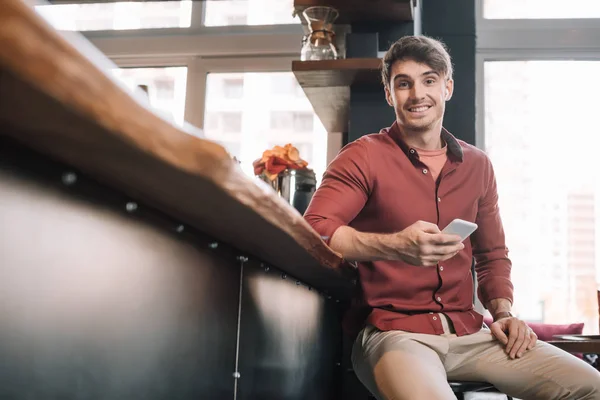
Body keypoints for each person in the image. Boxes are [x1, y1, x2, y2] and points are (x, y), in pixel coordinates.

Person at [304, 35, 600, 400]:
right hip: (394, 332)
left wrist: (503, 312)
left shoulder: (478, 166)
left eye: (429, 80)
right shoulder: (362, 156)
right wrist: (396, 246)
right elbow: (316, 231)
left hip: (471, 334)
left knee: (592, 387)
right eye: (403, 83)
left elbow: (491, 256)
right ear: (388, 94)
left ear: (447, 87)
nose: (417, 94)